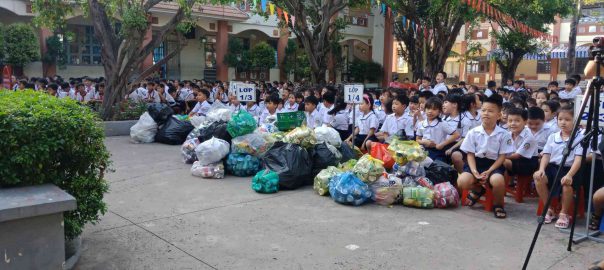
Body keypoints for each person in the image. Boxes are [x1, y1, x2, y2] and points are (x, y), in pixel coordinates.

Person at [459, 94, 514, 218]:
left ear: (499, 115)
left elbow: (502, 157)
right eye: (483, 110)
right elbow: (470, 154)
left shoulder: (504, 134)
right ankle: (478, 189)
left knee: (498, 181)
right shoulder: (473, 132)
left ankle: (498, 204)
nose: (486, 113)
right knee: (462, 181)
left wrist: (489, 171)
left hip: (493, 165)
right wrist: (473, 171)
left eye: (490, 111)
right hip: (476, 163)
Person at [533, 106, 584, 229]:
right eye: (560, 119)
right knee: (538, 178)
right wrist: (541, 169)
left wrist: (569, 175)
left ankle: (564, 213)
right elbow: (546, 155)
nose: (563, 122)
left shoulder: (580, 138)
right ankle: (549, 208)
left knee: (567, 184)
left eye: (567, 119)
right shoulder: (553, 136)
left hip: (570, 169)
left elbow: (578, 160)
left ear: (575, 121)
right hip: (553, 167)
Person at [416, 97, 460, 162]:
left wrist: (442, 144)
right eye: (428, 108)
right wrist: (424, 142)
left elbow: (456, 135)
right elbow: (417, 139)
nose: (430, 111)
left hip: (438, 152)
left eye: (434, 109)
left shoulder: (442, 123)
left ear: (439, 111)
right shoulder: (421, 123)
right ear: (425, 109)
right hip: (424, 151)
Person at [503, 107, 539, 178]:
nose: (513, 123)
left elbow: (517, 155)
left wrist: (500, 157)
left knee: (502, 161)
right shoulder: (508, 134)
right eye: (510, 121)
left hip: (527, 163)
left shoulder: (529, 137)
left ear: (525, 122)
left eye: (517, 121)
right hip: (514, 160)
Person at [443, 94, 473, 173]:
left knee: (456, 156)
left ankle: (464, 176)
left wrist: (451, 148)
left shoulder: (465, 120)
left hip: (459, 145)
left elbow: (464, 138)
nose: (443, 105)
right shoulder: (444, 118)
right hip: (445, 144)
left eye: (446, 102)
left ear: (455, 104)